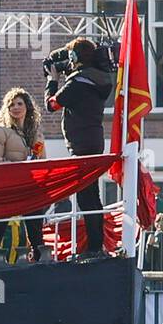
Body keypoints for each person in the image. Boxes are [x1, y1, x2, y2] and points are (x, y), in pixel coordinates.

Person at [45, 37, 114, 257]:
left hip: (81, 145)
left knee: (86, 197)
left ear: (75, 57)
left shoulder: (76, 83)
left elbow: (51, 105)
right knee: (92, 195)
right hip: (94, 141)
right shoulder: (96, 79)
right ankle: (97, 244)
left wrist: (52, 80)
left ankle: (94, 248)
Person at [0, 88, 46, 266]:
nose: (15, 108)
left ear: (27, 107)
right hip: (8, 189)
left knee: (36, 232)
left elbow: (43, 163)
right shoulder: (1, 131)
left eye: (19, 104)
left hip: (29, 189)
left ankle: (41, 268)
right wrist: (16, 168)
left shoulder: (36, 134)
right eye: (11, 105)